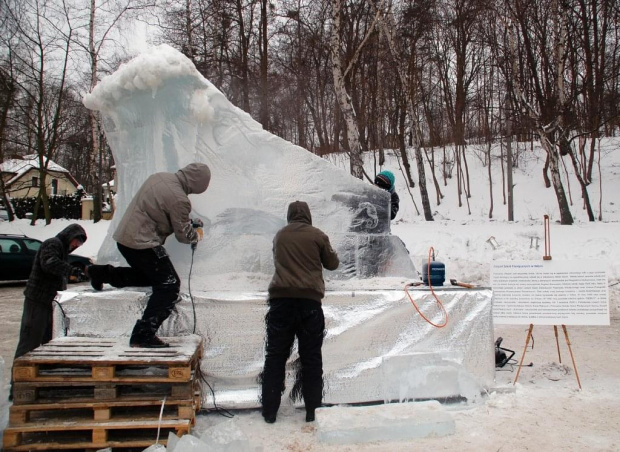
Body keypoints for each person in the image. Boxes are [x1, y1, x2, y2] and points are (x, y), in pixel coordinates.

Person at [87, 162, 211, 348]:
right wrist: (197, 234)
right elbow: (183, 235)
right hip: (142, 243)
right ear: (198, 184)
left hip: (125, 238)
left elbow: (161, 209)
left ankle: (101, 273)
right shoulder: (180, 199)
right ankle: (143, 334)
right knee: (169, 285)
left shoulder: (160, 177)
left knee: (149, 276)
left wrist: (187, 221)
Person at [261, 201, 339, 424]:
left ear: (289, 216)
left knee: (275, 356)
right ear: (308, 215)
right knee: (311, 358)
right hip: (309, 304)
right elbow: (332, 263)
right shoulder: (318, 235)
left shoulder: (280, 236)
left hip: (281, 303)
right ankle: (313, 410)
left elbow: (277, 260)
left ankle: (270, 411)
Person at [10, 224, 87, 400]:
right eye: (77, 241)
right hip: (37, 302)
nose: (76, 246)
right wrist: (70, 270)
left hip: (48, 303)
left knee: (45, 343)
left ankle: (38, 381)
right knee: (29, 342)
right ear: (71, 236)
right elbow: (49, 263)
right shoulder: (52, 244)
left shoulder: (61, 249)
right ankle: (16, 387)